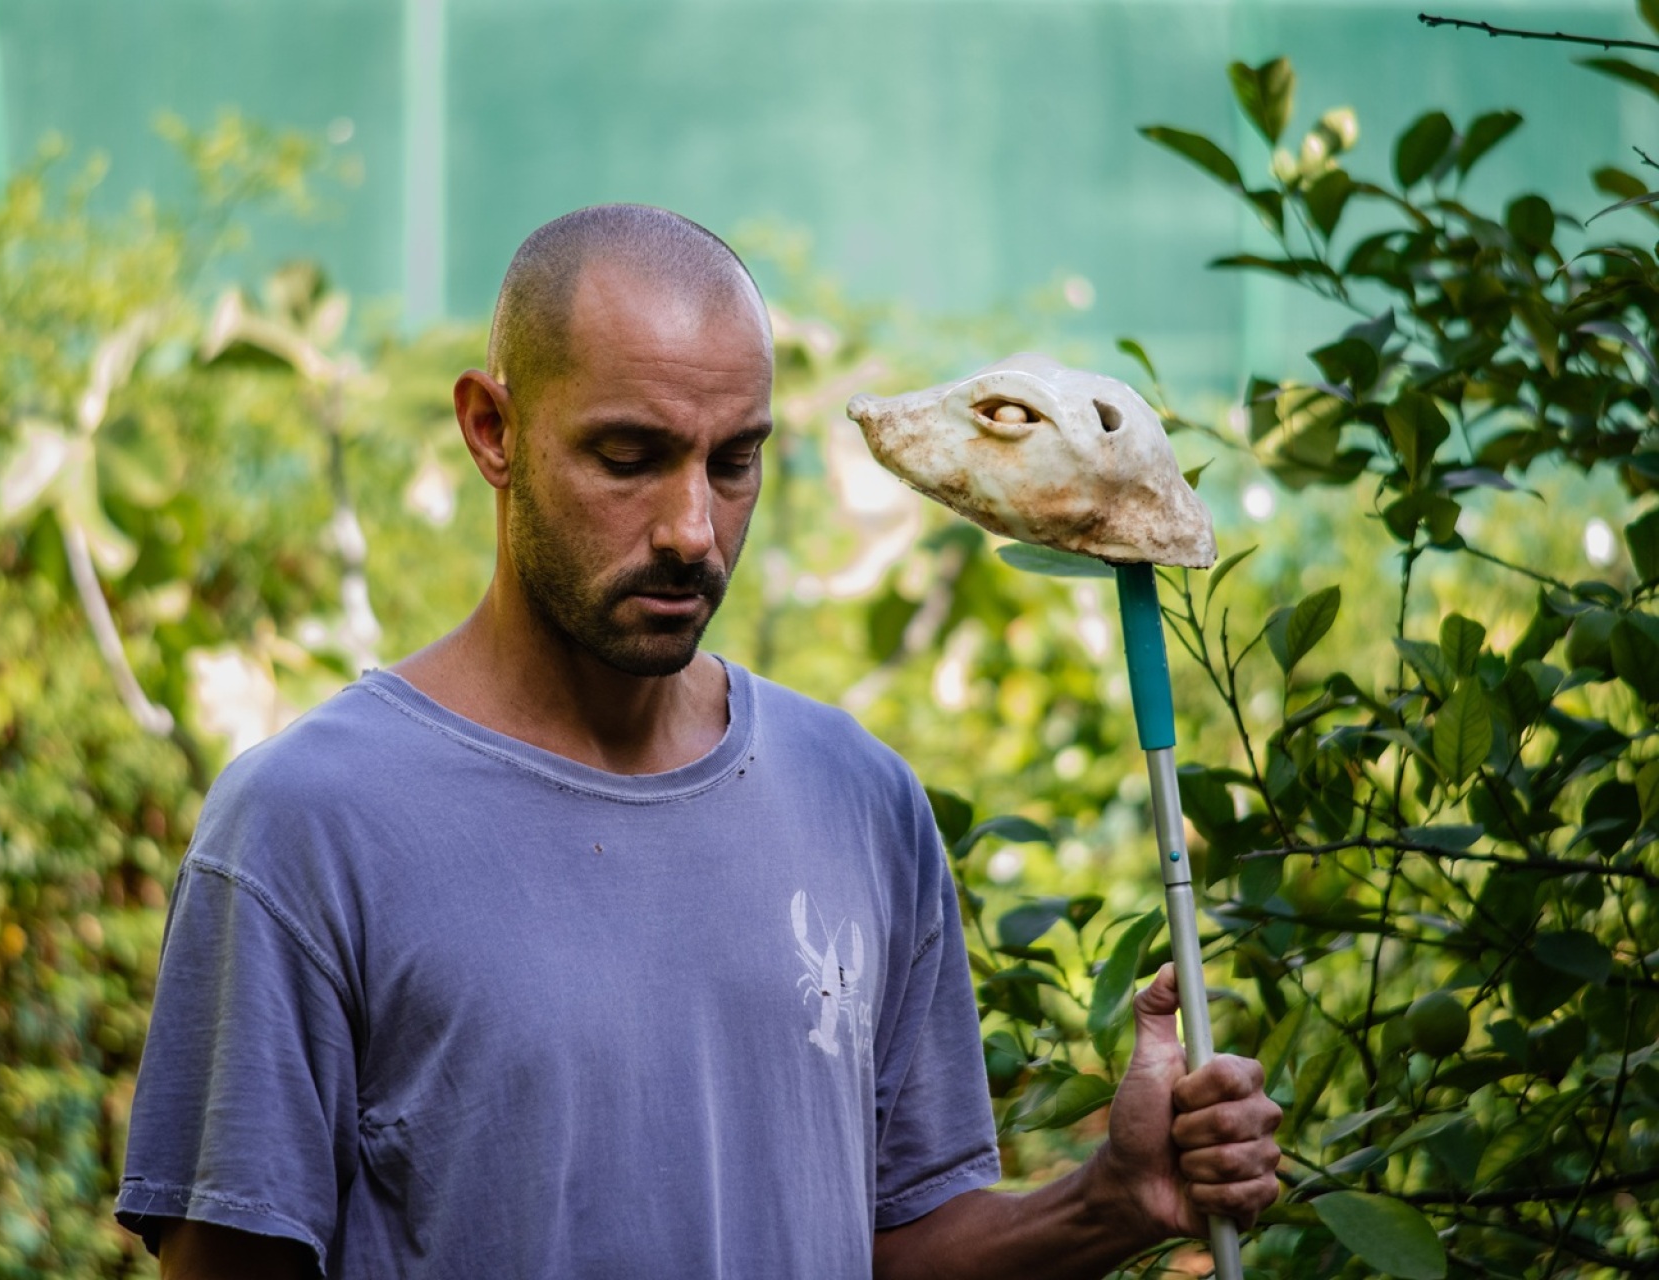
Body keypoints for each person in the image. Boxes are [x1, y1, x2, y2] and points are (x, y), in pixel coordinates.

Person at [113, 205, 1281, 1280]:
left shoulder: (859, 798)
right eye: (628, 457)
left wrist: (1110, 1199)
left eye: (734, 462)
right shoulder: (306, 826)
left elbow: (893, 1248)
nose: (691, 529)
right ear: (492, 429)